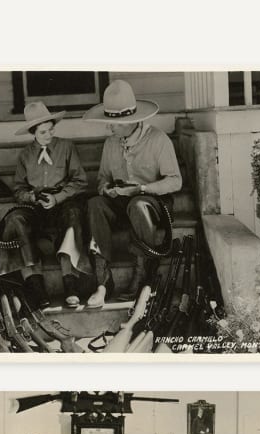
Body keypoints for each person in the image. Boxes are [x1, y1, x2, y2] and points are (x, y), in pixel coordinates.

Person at [84, 79, 183, 299]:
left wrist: (141, 188)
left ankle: (144, 276)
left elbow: (175, 181)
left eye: (115, 124)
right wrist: (106, 189)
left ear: (131, 121)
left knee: (138, 204)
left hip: (151, 204)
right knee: (95, 204)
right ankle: (103, 280)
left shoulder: (158, 140)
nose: (110, 127)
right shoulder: (110, 143)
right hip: (120, 202)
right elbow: (102, 178)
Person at [0, 102, 93, 308]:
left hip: (63, 202)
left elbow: (80, 181)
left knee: (74, 214)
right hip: (36, 206)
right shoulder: (25, 155)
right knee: (15, 219)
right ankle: (36, 285)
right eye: (43, 132)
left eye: (51, 130)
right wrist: (32, 198)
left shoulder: (66, 148)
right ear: (34, 133)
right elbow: (18, 189)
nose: (48, 135)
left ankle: (71, 284)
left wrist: (57, 198)